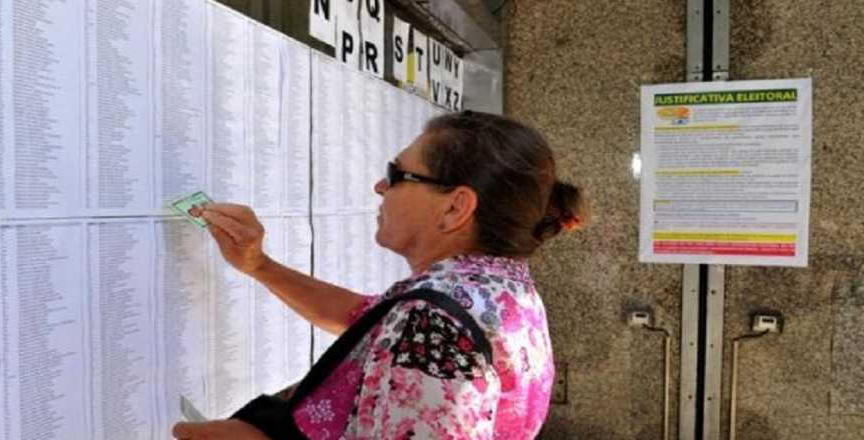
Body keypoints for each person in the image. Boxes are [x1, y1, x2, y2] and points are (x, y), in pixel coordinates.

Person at [174, 110, 587, 440]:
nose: (379, 186)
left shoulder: (436, 324)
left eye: (397, 175)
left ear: (455, 208)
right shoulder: (498, 289)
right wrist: (259, 265)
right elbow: (363, 317)